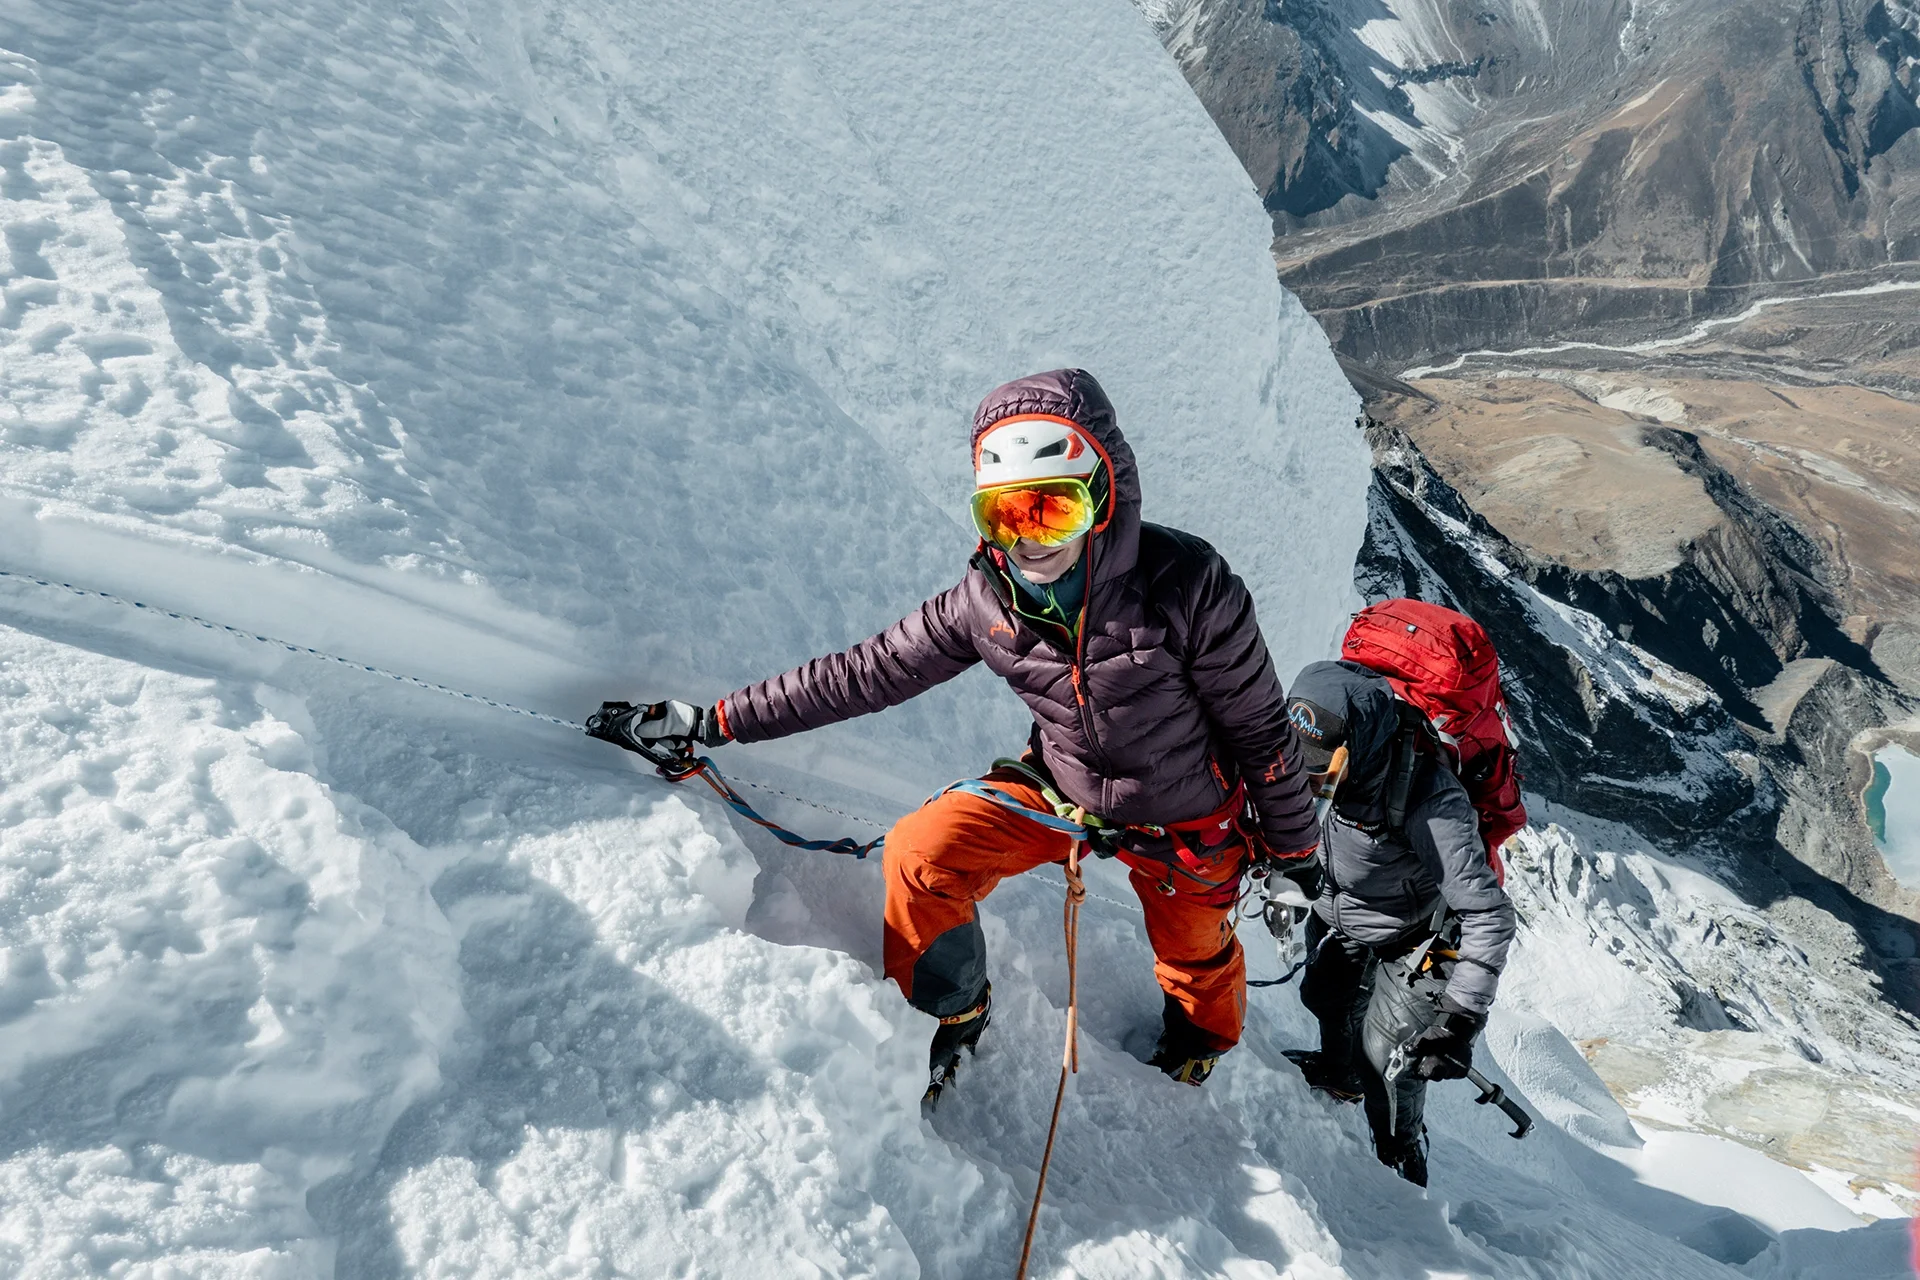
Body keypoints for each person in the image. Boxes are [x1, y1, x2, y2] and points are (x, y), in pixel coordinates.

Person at [586, 368, 1321, 1098]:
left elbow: (1260, 732)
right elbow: (864, 672)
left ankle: (1201, 1039)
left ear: (1101, 498)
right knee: (921, 853)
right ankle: (953, 1006)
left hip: (1186, 823)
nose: (1028, 543)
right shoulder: (985, 600)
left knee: (1195, 955)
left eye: (1050, 511)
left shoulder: (1187, 584)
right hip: (1060, 792)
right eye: (1005, 517)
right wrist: (711, 723)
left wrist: (1294, 854)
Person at [1284, 658, 1516, 1186]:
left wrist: (1460, 1018)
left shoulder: (1428, 797)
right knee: (1326, 998)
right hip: (1341, 914)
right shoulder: (1296, 752)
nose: (1306, 779)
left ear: (1359, 749)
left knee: (1391, 1059)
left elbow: (1488, 914)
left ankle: (1400, 1149)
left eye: (1322, 768)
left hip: (1420, 936)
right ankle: (1340, 1079)